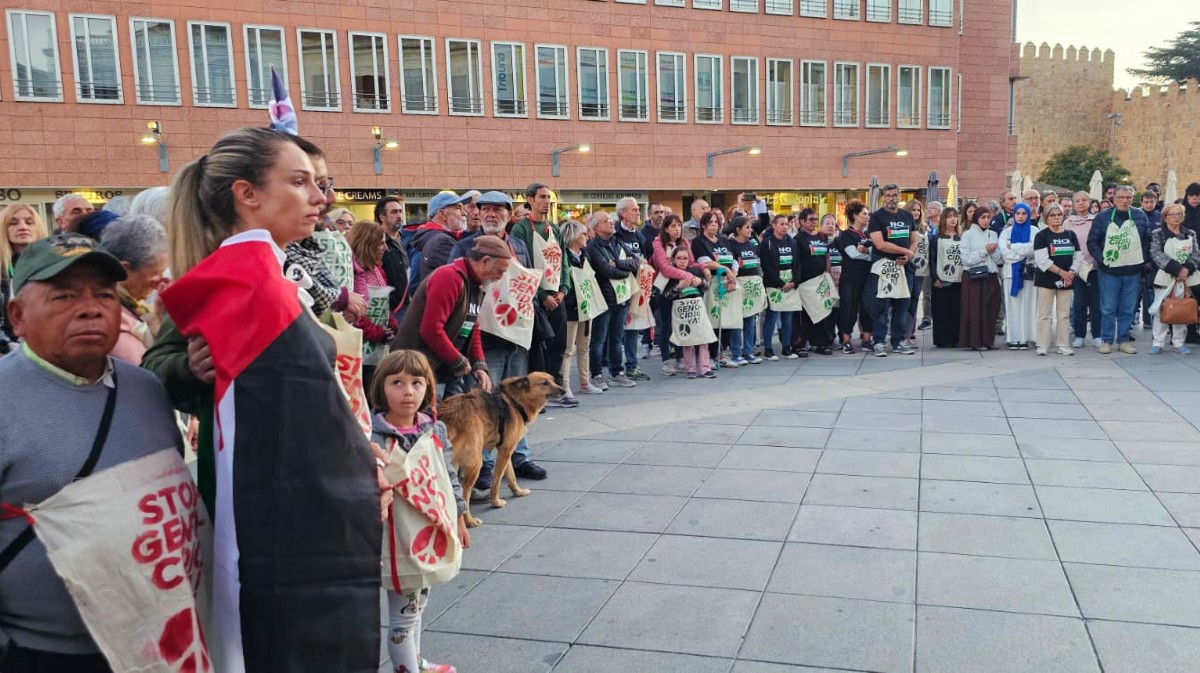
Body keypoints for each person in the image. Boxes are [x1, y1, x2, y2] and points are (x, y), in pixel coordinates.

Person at [155, 127, 384, 672]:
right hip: (270, 499)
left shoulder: (273, 271)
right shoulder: (242, 278)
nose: (320, 196)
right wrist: (190, 369)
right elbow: (162, 367)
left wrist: (356, 446)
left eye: (319, 183)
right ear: (247, 194)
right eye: (300, 182)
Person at [0, 233, 182, 673]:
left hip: (157, 647)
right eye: (64, 296)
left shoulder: (147, 388)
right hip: (42, 654)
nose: (90, 308)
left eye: (104, 295)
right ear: (18, 316)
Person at [368, 350, 468, 673]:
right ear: (381, 387)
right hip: (395, 536)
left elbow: (449, 476)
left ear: (428, 387)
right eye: (397, 382)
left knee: (418, 605)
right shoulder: (371, 435)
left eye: (416, 382)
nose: (408, 391)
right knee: (403, 616)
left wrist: (459, 517)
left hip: (429, 531)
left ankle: (417, 662)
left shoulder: (434, 430)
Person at [393, 234, 509, 396]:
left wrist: (479, 365)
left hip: (446, 369)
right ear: (485, 261)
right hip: (419, 367)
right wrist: (458, 360)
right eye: (500, 271)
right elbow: (431, 330)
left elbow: (472, 326)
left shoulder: (476, 285)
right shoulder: (449, 277)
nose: (500, 277)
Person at [510, 183, 572, 399]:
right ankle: (537, 393)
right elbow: (521, 266)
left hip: (557, 296)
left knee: (559, 344)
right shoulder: (521, 229)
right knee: (538, 347)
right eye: (542, 197)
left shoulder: (554, 229)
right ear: (530, 200)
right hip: (535, 299)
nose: (547, 201)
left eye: (549, 197)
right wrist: (542, 296)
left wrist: (563, 290)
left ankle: (554, 386)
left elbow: (565, 263)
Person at [1087, 185, 1150, 354]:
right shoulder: (1102, 217)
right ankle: (1106, 341)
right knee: (1108, 308)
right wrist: (1102, 261)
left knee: (1128, 308)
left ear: (1132, 199)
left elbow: (1147, 239)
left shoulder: (1140, 216)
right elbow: (1092, 241)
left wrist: (1141, 260)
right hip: (1109, 272)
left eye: (1128, 197)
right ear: (1114, 199)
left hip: (1132, 271)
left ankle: (1123, 340)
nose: (1125, 201)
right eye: (1121, 197)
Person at [99, 215, 168, 365]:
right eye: (155, 274)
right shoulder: (117, 324)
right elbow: (146, 372)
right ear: (123, 270)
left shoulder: (134, 306)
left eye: (163, 272)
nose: (160, 281)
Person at [586, 209, 640, 387]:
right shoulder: (593, 247)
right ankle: (596, 375)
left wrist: (617, 263)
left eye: (611, 219)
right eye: (606, 220)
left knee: (616, 339)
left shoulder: (617, 242)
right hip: (604, 299)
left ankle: (616, 373)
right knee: (598, 340)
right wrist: (625, 271)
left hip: (621, 297)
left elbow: (635, 262)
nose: (611, 222)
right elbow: (605, 270)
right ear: (596, 227)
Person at [865, 184, 916, 356]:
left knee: (902, 306)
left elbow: (914, 240)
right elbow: (880, 244)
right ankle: (879, 342)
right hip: (884, 267)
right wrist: (905, 251)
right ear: (883, 197)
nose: (891, 198)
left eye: (894, 195)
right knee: (882, 306)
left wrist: (908, 255)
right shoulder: (876, 217)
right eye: (888, 195)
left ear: (899, 196)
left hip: (904, 267)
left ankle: (898, 341)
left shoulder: (907, 216)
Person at [349, 220, 400, 389]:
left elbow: (383, 304)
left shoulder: (378, 270)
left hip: (378, 351)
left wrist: (392, 325)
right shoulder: (353, 273)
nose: (385, 248)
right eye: (381, 243)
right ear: (368, 244)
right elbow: (354, 312)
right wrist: (377, 333)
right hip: (359, 351)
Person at [649, 214, 701, 373]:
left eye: (678, 225)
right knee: (667, 324)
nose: (677, 229)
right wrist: (688, 275)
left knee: (681, 321)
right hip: (665, 287)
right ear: (666, 228)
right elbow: (665, 268)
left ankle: (680, 357)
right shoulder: (659, 243)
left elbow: (691, 262)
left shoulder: (684, 242)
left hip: (683, 286)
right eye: (673, 226)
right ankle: (666, 360)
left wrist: (705, 268)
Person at [1148, 203, 1200, 353]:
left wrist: (1186, 269)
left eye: (1179, 214)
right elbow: (1156, 253)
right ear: (1165, 217)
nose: (1176, 217)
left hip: (1185, 278)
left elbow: (1196, 253)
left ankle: (1178, 342)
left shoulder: (1190, 233)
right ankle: (1158, 342)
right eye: (1172, 214)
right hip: (1165, 276)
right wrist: (1176, 269)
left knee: (1181, 309)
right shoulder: (1158, 233)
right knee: (1161, 308)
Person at [558, 220, 600, 395]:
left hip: (585, 306)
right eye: (583, 234)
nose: (587, 237)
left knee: (584, 347)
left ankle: (585, 382)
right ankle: (564, 386)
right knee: (568, 349)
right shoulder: (563, 256)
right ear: (574, 236)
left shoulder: (584, 256)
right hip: (570, 308)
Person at [0, 203, 48, 353]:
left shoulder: (54, 264)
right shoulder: (3, 269)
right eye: (13, 223)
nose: (23, 227)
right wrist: (7, 345)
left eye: (29, 222)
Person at [1032, 204, 1079, 356]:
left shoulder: (1071, 235)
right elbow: (1042, 260)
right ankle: (1043, 344)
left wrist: (1071, 273)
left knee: (1064, 314)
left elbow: (1078, 256)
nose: (1057, 217)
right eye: (1053, 215)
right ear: (1046, 218)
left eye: (1059, 214)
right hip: (1046, 280)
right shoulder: (1041, 236)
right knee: (1045, 314)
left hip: (1067, 281)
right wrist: (1062, 273)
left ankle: (1063, 344)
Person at [664, 244, 716, 378]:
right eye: (679, 258)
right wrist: (678, 287)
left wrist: (700, 283)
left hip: (697, 311)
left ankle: (705, 368)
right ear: (673, 259)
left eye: (685, 258)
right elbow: (667, 296)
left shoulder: (695, 271)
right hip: (683, 313)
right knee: (688, 341)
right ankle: (691, 369)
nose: (682, 261)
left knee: (703, 338)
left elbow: (706, 288)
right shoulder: (671, 275)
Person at [614, 196, 649, 379]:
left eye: (638, 209)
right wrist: (631, 262)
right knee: (616, 329)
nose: (638, 213)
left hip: (637, 285)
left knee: (633, 326)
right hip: (619, 285)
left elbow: (643, 258)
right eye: (634, 210)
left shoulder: (639, 234)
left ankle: (632, 365)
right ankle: (614, 367)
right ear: (623, 213)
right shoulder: (615, 233)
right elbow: (614, 260)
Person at [958, 207, 1004, 350]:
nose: (985, 221)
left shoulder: (993, 234)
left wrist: (994, 251)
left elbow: (999, 259)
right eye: (982, 217)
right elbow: (966, 259)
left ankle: (988, 340)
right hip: (974, 277)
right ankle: (976, 341)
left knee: (991, 309)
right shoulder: (968, 235)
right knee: (976, 310)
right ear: (976, 218)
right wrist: (985, 251)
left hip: (991, 276)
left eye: (988, 217)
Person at [999, 203, 1040, 349]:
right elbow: (1005, 255)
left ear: (1028, 215)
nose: (1021, 216)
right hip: (1010, 274)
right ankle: (1014, 338)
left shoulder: (1034, 231)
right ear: (1014, 215)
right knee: (1013, 307)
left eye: (1024, 214)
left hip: (1028, 274)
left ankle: (1026, 338)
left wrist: (1014, 247)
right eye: (1018, 213)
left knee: (1029, 305)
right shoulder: (1006, 232)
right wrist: (1023, 251)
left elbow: (1034, 250)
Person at [759, 213, 799, 359]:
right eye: (781, 224)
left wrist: (795, 281)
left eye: (786, 224)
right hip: (774, 284)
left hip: (791, 282)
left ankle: (786, 348)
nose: (784, 227)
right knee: (772, 316)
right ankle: (768, 349)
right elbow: (766, 266)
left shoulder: (792, 242)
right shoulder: (767, 243)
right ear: (774, 225)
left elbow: (797, 263)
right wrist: (781, 283)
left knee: (788, 317)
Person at [1064, 191, 1100, 348]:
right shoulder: (1068, 222)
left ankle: (1097, 335)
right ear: (1073, 204)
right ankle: (1079, 335)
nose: (1081, 203)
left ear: (1089, 202)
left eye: (1084, 200)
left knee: (1096, 303)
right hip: (1077, 268)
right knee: (1079, 303)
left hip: (1095, 267)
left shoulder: (1097, 220)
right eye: (1077, 200)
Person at [795, 210, 834, 355]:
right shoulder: (797, 239)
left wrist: (827, 274)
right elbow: (796, 261)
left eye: (816, 219)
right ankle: (801, 344)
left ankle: (822, 343)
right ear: (802, 221)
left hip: (820, 280)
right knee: (805, 316)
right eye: (811, 219)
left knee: (823, 313)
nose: (814, 222)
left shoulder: (821, 237)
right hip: (805, 282)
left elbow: (827, 256)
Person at [726, 215, 763, 364]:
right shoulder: (730, 244)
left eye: (750, 227)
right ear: (738, 229)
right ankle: (736, 353)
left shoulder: (752, 244)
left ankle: (748, 352)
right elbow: (732, 264)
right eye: (747, 227)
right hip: (738, 284)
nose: (750, 230)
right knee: (737, 320)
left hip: (752, 285)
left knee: (750, 320)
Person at [836, 200, 873, 353]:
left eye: (868, 214)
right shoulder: (845, 235)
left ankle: (867, 340)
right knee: (848, 310)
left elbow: (875, 252)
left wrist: (867, 252)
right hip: (850, 279)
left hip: (867, 278)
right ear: (855, 216)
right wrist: (869, 255)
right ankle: (846, 341)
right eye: (864, 214)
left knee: (868, 309)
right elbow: (853, 254)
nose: (868, 217)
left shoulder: (868, 235)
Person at [410, 190, 469, 283]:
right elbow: (466, 274)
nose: (464, 213)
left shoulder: (432, 236)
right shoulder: (441, 242)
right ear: (442, 213)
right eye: (458, 208)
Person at [929, 207, 962, 348]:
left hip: (958, 279)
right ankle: (943, 339)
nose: (953, 219)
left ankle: (956, 338)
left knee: (956, 309)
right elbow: (932, 258)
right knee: (941, 309)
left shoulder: (961, 237)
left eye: (955, 216)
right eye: (949, 216)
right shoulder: (936, 238)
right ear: (944, 219)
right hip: (941, 279)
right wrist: (934, 277)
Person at [375, 195, 410, 313]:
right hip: (392, 307)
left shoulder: (408, 240)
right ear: (382, 217)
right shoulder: (377, 242)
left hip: (410, 303)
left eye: (400, 211)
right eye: (394, 212)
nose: (399, 215)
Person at [905, 199, 930, 341]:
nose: (916, 212)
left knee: (914, 299)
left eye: (918, 210)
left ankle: (910, 331)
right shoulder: (905, 226)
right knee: (906, 300)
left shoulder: (924, 228)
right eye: (913, 209)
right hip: (908, 267)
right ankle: (904, 333)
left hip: (921, 269)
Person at [1138, 190, 1162, 327]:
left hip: (1155, 260)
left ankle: (1149, 320)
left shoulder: (1160, 217)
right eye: (1146, 202)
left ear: (1156, 202)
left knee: (1150, 290)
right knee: (1136, 291)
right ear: (1141, 202)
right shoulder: (1136, 215)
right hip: (1138, 257)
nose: (1149, 205)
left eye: (1151, 202)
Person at [918, 201, 943, 330]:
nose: (928, 210)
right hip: (926, 263)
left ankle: (940, 317)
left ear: (939, 211)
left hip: (940, 263)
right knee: (926, 293)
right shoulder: (923, 227)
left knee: (940, 293)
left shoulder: (943, 227)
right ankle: (927, 318)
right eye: (927, 208)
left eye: (931, 208)